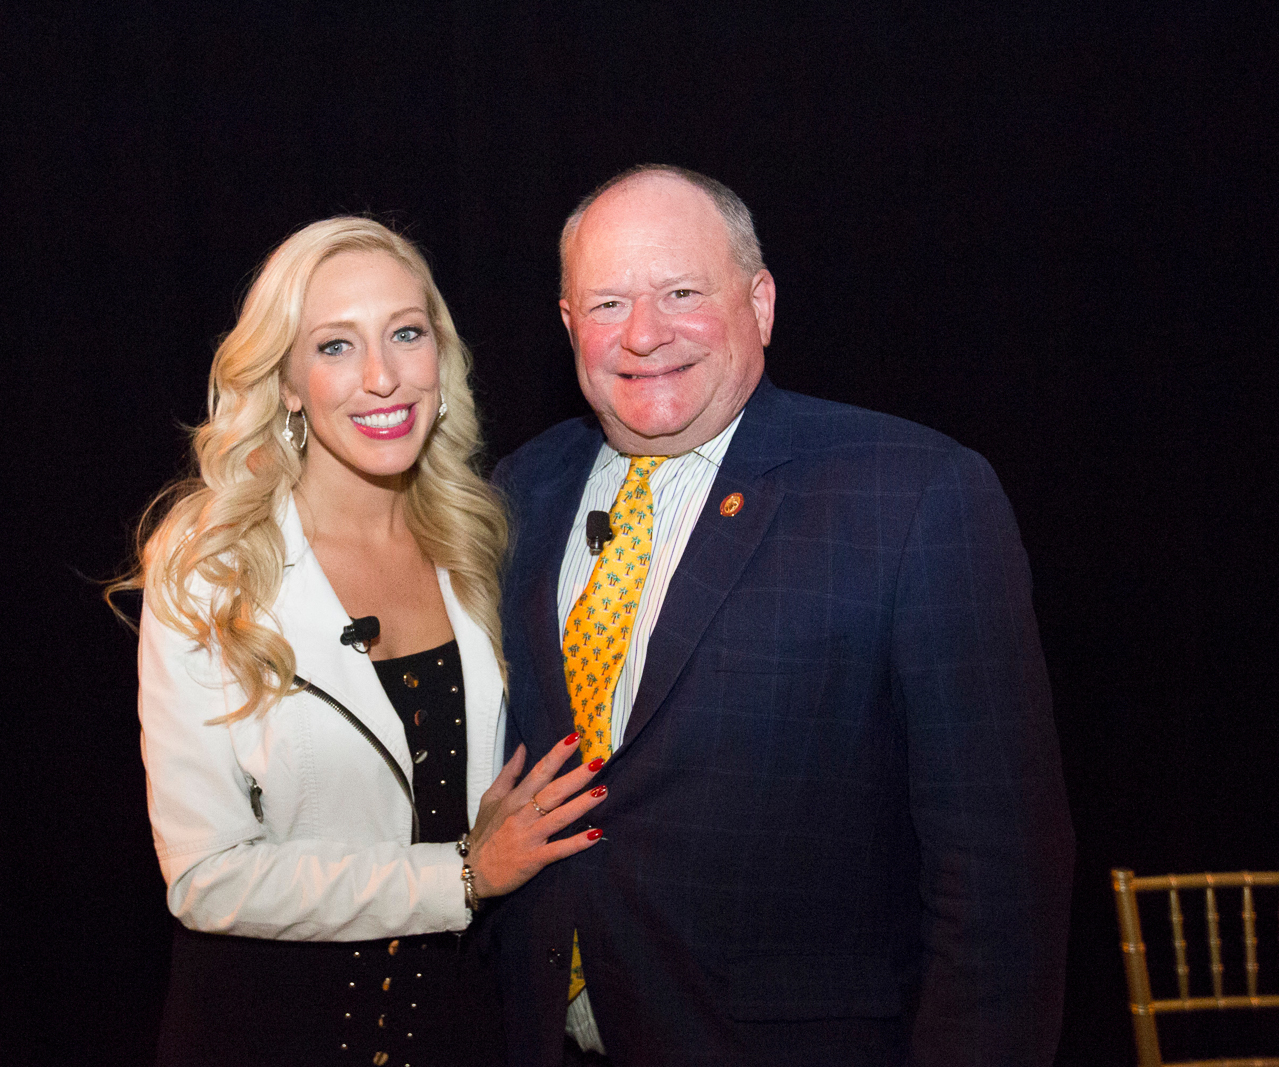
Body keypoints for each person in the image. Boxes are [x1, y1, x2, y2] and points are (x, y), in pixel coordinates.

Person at [485, 166, 1075, 1067]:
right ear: (569, 324)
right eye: (607, 304)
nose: (643, 334)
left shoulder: (912, 495)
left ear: (757, 303)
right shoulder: (516, 493)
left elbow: (1000, 877)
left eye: (681, 292)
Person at [112, 217, 608, 1067]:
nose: (381, 377)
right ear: (289, 381)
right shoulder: (212, 571)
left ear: (439, 360)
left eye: (405, 334)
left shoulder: (486, 543)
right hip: (268, 1031)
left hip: (465, 1028)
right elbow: (206, 876)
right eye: (336, 346)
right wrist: (458, 875)